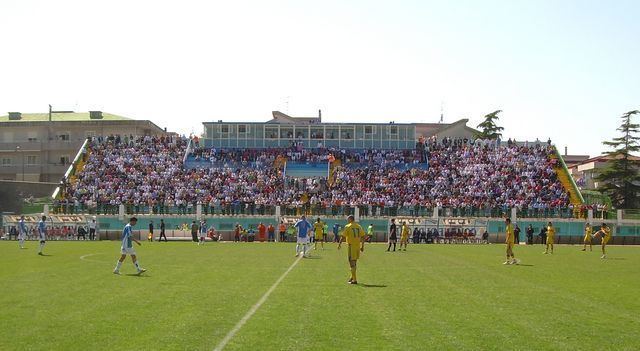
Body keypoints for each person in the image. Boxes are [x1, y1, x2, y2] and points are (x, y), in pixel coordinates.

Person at [337, 215, 366, 285]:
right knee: (354, 262)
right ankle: (352, 277)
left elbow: (343, 236)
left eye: (348, 219)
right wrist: (362, 246)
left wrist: (339, 244)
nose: (347, 220)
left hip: (351, 246)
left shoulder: (348, 226)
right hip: (357, 246)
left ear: (350, 219)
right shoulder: (359, 226)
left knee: (351, 263)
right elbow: (363, 236)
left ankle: (354, 280)